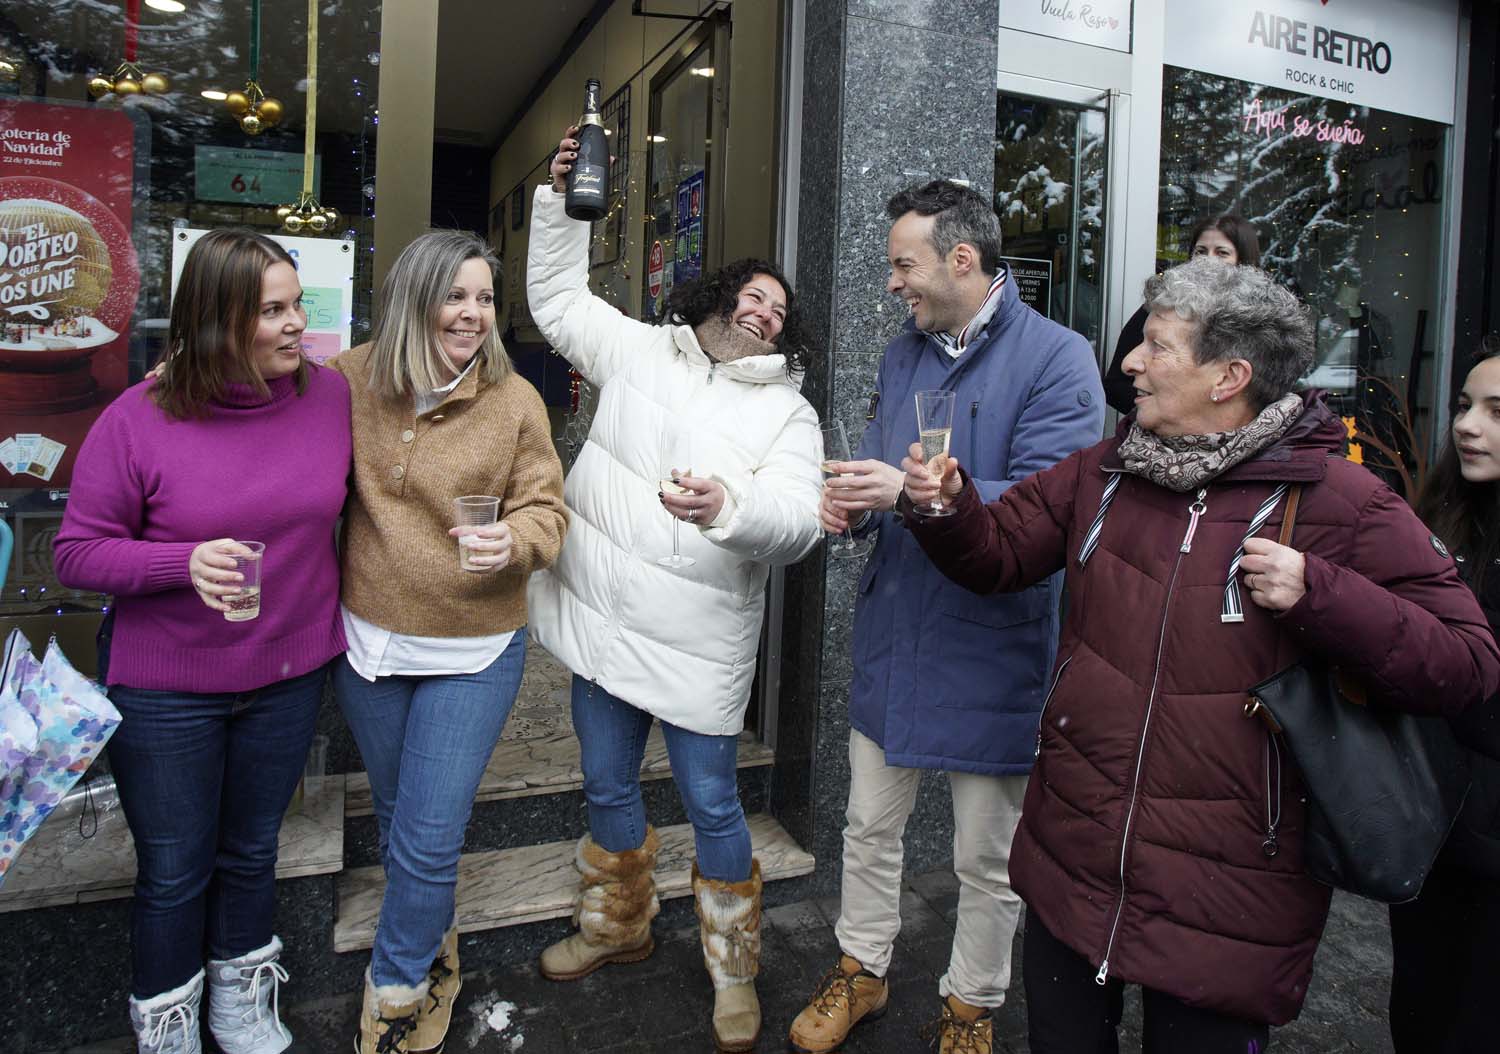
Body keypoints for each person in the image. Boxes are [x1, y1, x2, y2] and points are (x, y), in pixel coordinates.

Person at [898, 257, 1500, 1052]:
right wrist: (949, 507)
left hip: (1230, 894)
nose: (1129, 364)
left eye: (1156, 346)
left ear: (1229, 376)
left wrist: (1323, 594)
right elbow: (1000, 553)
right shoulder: (1105, 468)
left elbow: (1467, 661)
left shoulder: (1341, 501)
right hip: (1075, 855)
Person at [527, 127, 823, 1053]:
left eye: (781, 309)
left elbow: (800, 521)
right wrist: (558, 204)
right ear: (721, 293)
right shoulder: (641, 353)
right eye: (755, 294)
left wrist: (729, 507)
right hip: (608, 626)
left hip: (699, 643)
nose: (767, 313)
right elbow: (556, 297)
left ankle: (735, 971)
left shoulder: (789, 410)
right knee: (608, 785)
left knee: (712, 806)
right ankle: (616, 926)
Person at [791, 179, 1104, 1054]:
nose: (894, 284)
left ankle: (971, 1006)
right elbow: (894, 470)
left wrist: (911, 495)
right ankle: (861, 967)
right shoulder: (904, 354)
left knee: (987, 857)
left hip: (992, 642)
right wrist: (858, 503)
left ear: (962, 259)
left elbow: (1060, 506)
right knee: (867, 828)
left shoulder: (1058, 358)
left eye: (904, 265)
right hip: (898, 630)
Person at [54, 229, 351, 1054]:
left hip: (288, 672)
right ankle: (167, 1020)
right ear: (218, 321)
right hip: (166, 688)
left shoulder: (329, 397)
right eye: (274, 311)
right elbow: (76, 552)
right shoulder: (138, 418)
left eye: (300, 305)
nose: (298, 325)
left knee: (253, 850)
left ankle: (241, 999)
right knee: (177, 870)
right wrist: (181, 562)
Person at [330, 231, 567, 1054]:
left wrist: (518, 541)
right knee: (402, 821)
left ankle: (397, 990)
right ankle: (431, 933)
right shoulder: (349, 379)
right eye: (455, 296)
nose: (472, 314)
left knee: (429, 836)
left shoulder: (515, 403)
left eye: (484, 298)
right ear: (414, 299)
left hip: (473, 647)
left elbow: (548, 510)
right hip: (370, 647)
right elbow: (250, 397)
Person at [1388, 342, 1500, 1053]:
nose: (1468, 425)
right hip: (1436, 825)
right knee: (1424, 1008)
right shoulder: (1443, 520)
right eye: (1463, 405)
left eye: (1496, 411)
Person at [1101, 214, 1261, 414]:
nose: (1209, 261)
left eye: (1221, 253)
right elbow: (1115, 384)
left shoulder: (1261, 319)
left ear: (1243, 260)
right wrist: (1165, 412)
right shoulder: (1162, 309)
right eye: (1201, 252)